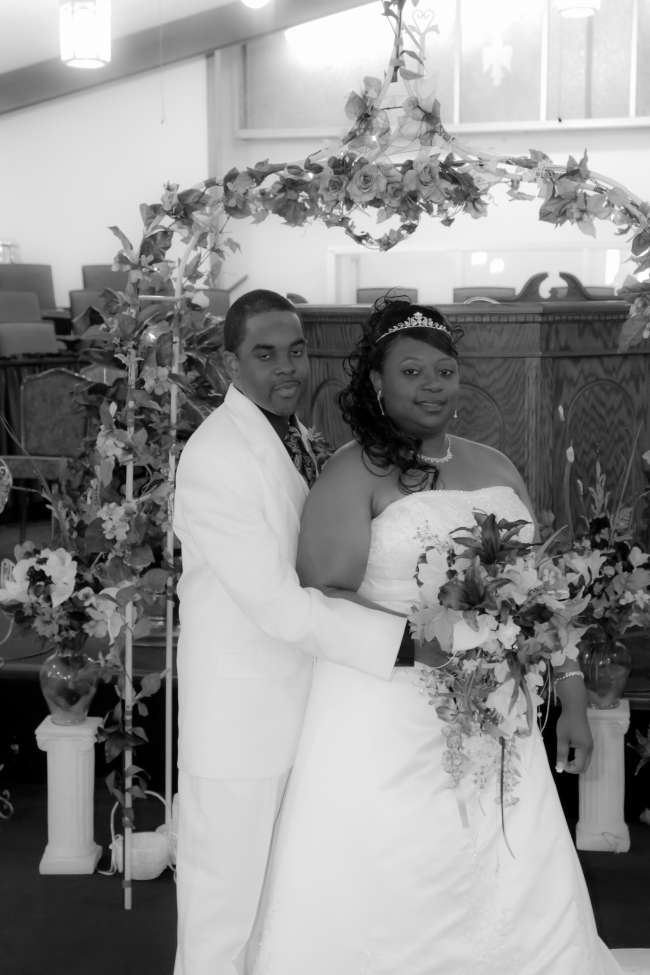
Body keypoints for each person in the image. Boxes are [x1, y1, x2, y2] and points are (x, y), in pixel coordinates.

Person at [250, 297, 622, 975]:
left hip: (500, 716)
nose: (432, 384)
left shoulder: (496, 465)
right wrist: (427, 640)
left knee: (505, 861)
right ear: (377, 384)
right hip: (385, 709)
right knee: (398, 865)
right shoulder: (351, 472)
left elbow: (539, 596)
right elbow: (321, 596)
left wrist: (570, 694)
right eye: (412, 371)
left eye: (444, 370)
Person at [172, 290, 417, 975]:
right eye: (265, 353)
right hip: (240, 720)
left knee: (276, 907)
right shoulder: (218, 455)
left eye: (298, 350)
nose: (288, 367)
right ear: (229, 362)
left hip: (300, 708)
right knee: (222, 912)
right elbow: (280, 606)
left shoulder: (287, 434)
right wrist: (401, 641)